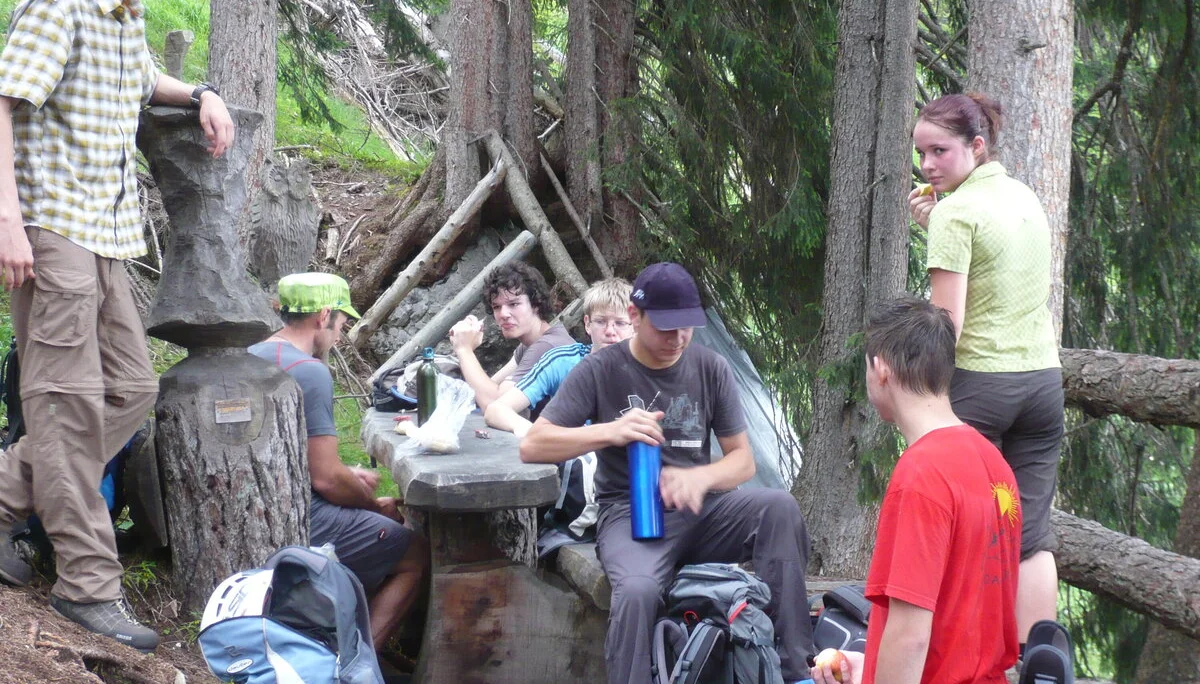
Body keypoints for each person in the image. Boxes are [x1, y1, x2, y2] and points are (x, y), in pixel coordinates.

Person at [0, 0, 235, 651]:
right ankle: (87, 585)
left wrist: (202, 93)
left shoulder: (123, 19)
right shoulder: (60, 7)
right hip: (51, 226)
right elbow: (3, 101)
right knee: (65, 403)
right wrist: (7, 222)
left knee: (133, 387)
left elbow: (145, 79)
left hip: (106, 235)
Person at [522, 262, 816, 684]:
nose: (678, 339)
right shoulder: (601, 369)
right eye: (666, 328)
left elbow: (743, 461)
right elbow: (533, 445)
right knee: (639, 592)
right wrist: (611, 431)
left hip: (702, 509)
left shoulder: (710, 367)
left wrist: (702, 478)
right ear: (635, 318)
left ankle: (793, 671)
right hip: (630, 512)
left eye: (687, 327)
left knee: (778, 508)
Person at [907, 92, 1063, 647]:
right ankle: (1038, 661)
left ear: (977, 146)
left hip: (981, 386)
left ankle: (965, 656)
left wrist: (922, 396)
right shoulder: (1024, 196)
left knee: (965, 527)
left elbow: (947, 323)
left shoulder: (956, 211)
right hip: (1043, 383)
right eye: (921, 153)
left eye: (940, 151)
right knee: (1031, 535)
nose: (927, 165)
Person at [813, 297, 1021, 684]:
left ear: (880, 370)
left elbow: (909, 637)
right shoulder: (995, 465)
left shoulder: (921, 474)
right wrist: (871, 670)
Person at [249, 273, 428, 651]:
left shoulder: (252, 354)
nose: (341, 332)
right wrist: (373, 506)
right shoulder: (310, 371)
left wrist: (348, 476)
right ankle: (356, 665)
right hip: (302, 516)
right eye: (342, 321)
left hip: (260, 503)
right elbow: (327, 479)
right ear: (323, 315)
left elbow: (299, 456)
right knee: (415, 551)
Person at [484, 277, 633, 438]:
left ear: (636, 326)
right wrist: (533, 433)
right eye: (601, 321)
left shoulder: (651, 367)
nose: (610, 331)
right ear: (587, 324)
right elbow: (496, 409)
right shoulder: (561, 361)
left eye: (620, 323)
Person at [449, 261, 575, 412]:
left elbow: (494, 403)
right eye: (496, 307)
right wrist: (469, 346)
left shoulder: (548, 346)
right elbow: (482, 391)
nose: (503, 314)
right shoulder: (529, 344)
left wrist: (464, 350)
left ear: (536, 304)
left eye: (514, 304)